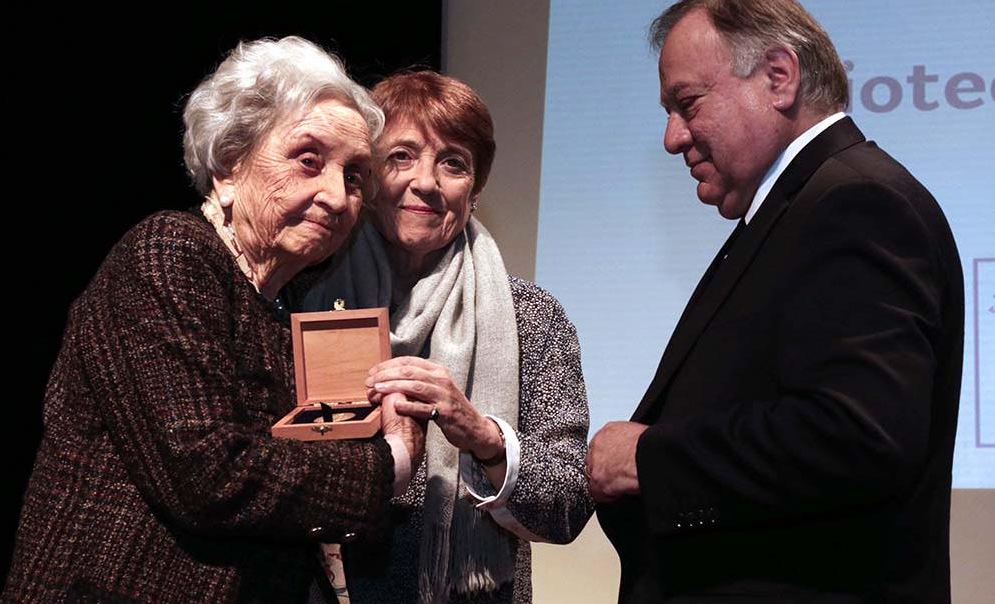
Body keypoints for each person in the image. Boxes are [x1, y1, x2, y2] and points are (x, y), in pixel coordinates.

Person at [0, 36, 425, 603]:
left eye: (353, 176)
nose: (336, 195)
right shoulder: (168, 253)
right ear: (230, 163)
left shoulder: (283, 303)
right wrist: (390, 465)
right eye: (308, 160)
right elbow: (210, 473)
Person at [587, 1, 964, 603]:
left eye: (687, 104)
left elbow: (857, 435)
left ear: (779, 78)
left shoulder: (855, 203)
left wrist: (650, 459)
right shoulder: (807, 205)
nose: (672, 137)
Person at [304, 71, 593, 603]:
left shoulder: (532, 316)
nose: (427, 183)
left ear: (475, 191)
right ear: (366, 175)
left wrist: (483, 434)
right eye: (401, 157)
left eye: (453, 163)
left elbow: (569, 504)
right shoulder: (306, 298)